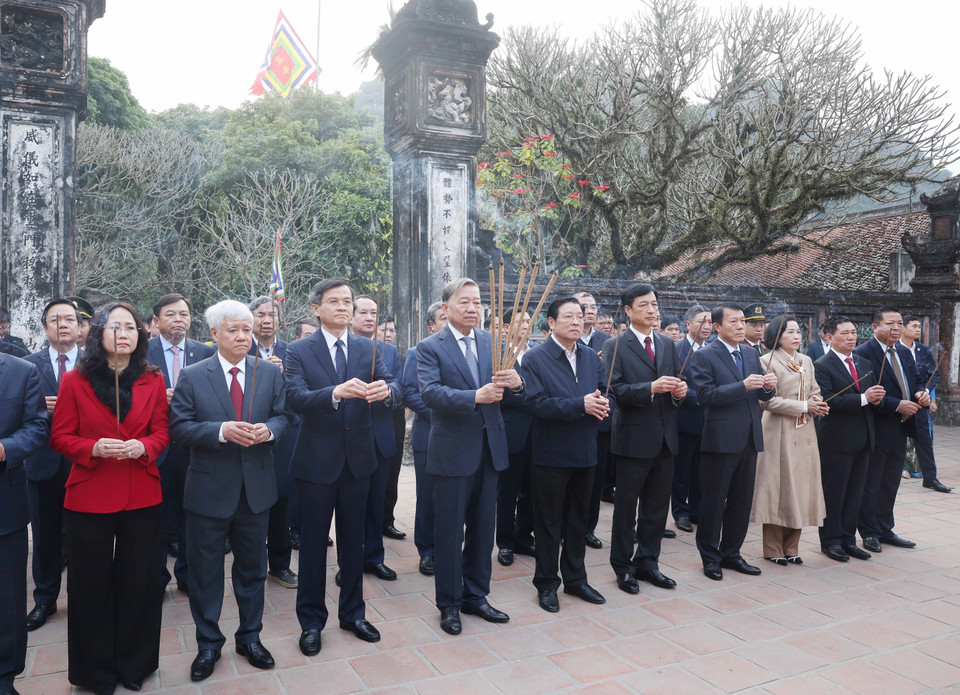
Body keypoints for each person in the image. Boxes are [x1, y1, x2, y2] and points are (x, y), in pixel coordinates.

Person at [50, 302, 171, 694]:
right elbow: (60, 436)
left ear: (141, 335)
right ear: (99, 333)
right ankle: (93, 671)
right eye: (115, 326)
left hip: (141, 492)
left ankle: (135, 662)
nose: (124, 333)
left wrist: (145, 447)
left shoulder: (152, 379)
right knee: (90, 586)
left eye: (131, 327)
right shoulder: (75, 381)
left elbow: (162, 432)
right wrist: (92, 449)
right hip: (90, 492)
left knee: (141, 581)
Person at [169, 300, 291, 681]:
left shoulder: (268, 373)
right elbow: (179, 428)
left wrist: (269, 431)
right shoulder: (192, 375)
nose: (243, 337)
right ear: (215, 334)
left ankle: (250, 637)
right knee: (206, 573)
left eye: (248, 330)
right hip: (208, 490)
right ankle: (208, 643)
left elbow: (284, 416)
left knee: (252, 569)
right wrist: (220, 431)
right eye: (234, 330)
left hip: (256, 489)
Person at [285, 279, 397, 656]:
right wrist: (334, 392)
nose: (343, 307)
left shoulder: (368, 347)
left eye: (347, 301)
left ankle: (353, 613)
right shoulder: (298, 350)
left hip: (359, 460)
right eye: (334, 301)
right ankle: (312, 622)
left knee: (354, 543)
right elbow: (295, 397)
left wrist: (387, 391)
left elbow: (394, 382)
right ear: (316, 308)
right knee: (314, 547)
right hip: (316, 462)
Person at [417, 277, 523, 636]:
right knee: (449, 532)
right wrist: (474, 396)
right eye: (465, 302)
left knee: (483, 529)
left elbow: (516, 389)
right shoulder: (430, 347)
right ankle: (449, 603)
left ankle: (477, 594)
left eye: (478, 302)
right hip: (451, 451)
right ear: (445, 309)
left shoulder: (495, 343)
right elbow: (430, 393)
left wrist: (517, 383)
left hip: (490, 449)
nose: (473, 308)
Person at [522, 297, 611, 611]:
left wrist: (600, 404)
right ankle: (546, 584)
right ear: (551, 323)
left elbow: (602, 389)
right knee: (548, 523)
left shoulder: (590, 356)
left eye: (580, 315)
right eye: (569, 316)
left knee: (578, 521)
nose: (577, 321)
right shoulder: (534, 359)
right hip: (551, 453)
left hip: (586, 450)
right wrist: (580, 405)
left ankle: (576, 579)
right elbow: (535, 403)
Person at [604, 284, 686, 593]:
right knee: (626, 509)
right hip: (633, 439)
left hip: (665, 438)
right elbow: (614, 391)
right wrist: (651, 388)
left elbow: (677, 385)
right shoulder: (616, 345)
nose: (652, 310)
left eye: (654, 304)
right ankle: (623, 566)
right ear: (628, 311)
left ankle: (649, 562)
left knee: (656, 508)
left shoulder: (667, 344)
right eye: (644, 306)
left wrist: (680, 392)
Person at [688, 302, 777, 581]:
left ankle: (732, 553)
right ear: (716, 327)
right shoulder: (705, 355)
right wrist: (743, 385)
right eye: (734, 322)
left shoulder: (750, 353)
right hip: (720, 439)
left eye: (742, 322)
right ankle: (710, 557)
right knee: (714, 501)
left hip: (750, 437)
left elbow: (761, 395)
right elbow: (705, 396)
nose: (741, 327)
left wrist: (768, 386)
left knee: (741, 501)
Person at [147, 293, 216, 593]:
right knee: (155, 516)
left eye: (184, 314)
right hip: (155, 445)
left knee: (194, 515)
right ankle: (156, 578)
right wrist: (156, 398)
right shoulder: (141, 352)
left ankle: (188, 576)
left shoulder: (205, 352)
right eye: (171, 314)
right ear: (155, 320)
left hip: (193, 446)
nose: (179, 319)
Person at [21, 299, 81, 631]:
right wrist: (40, 409)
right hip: (43, 463)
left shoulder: (95, 364)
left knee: (85, 534)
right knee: (44, 536)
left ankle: (85, 599)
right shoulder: (27, 366)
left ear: (79, 326)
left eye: (69, 319)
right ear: (45, 328)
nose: (63, 324)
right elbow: (18, 414)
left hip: (86, 463)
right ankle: (45, 599)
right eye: (55, 320)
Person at [751, 316, 829, 565]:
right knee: (778, 488)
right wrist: (804, 405)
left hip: (804, 431)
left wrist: (816, 402)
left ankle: (792, 547)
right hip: (778, 430)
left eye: (799, 332)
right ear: (776, 335)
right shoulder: (766, 361)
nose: (797, 336)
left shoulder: (806, 361)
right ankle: (773, 549)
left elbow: (814, 389)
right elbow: (766, 401)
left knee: (803, 488)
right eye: (790, 332)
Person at [814, 316, 885, 562]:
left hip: (864, 438)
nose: (851, 337)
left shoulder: (864, 363)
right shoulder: (822, 364)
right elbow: (828, 401)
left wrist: (877, 398)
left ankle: (848, 539)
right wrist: (865, 398)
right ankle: (831, 540)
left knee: (855, 493)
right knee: (835, 493)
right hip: (836, 440)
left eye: (853, 332)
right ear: (829, 337)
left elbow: (871, 396)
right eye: (844, 333)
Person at [853, 307, 923, 553]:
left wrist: (920, 393)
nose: (896, 328)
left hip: (902, 426)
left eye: (900, 323)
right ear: (875, 327)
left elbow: (916, 378)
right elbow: (866, 390)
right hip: (876, 427)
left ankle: (885, 528)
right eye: (890, 323)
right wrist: (897, 404)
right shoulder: (863, 352)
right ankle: (869, 531)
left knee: (891, 482)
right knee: (872, 482)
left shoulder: (903, 352)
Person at [0, 351, 47, 695]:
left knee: (7, 601)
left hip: (5, 507)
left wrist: (4, 449)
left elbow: (36, 427)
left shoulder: (21, 371)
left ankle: (5, 677)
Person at [247, 297, 300, 590]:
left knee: (281, 502)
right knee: (251, 506)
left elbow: (301, 393)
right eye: (260, 315)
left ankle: (279, 565)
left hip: (283, 436)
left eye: (272, 314)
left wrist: (284, 375)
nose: (267, 320)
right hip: (248, 434)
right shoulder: (239, 349)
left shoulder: (292, 352)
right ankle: (252, 566)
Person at [350, 295, 404, 577]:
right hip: (348, 437)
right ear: (351, 315)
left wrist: (388, 393)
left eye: (375, 313)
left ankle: (373, 557)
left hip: (380, 434)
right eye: (364, 312)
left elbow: (400, 387)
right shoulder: (340, 348)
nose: (370, 318)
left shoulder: (388, 350)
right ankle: (349, 562)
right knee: (351, 505)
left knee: (376, 500)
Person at [401, 302, 447, 576]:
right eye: (442, 318)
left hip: (460, 436)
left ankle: (450, 546)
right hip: (428, 434)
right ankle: (427, 550)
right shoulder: (417, 353)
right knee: (428, 495)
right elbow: (410, 393)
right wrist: (446, 409)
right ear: (431, 325)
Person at [495, 307, 536, 566]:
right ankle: (505, 542)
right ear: (506, 326)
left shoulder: (538, 353)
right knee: (507, 491)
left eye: (529, 321)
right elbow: (502, 392)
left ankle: (524, 536)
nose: (525, 326)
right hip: (512, 431)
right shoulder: (499, 353)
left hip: (540, 431)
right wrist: (531, 395)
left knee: (532, 490)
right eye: (520, 322)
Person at [574, 291, 612, 550]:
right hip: (571, 419)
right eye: (583, 307)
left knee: (595, 479)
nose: (590, 311)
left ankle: (588, 528)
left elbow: (612, 381)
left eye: (593, 306)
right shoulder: (569, 339)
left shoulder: (606, 341)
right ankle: (569, 527)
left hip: (599, 419)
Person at [672, 304, 712, 534]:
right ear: (688, 324)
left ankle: (697, 509)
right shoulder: (677, 349)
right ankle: (680, 511)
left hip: (709, 421)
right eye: (701, 322)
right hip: (685, 419)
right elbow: (678, 384)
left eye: (709, 323)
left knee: (701, 470)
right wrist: (704, 399)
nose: (706, 327)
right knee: (681, 470)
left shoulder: (714, 349)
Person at [899, 315, 951, 492]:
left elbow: (934, 374)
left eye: (919, 326)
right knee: (895, 438)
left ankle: (930, 478)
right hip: (900, 402)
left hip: (921, 402)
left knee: (924, 441)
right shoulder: (894, 349)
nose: (918, 329)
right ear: (903, 328)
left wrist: (927, 392)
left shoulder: (923, 350)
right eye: (913, 326)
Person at [378, 314, 408, 542]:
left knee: (392, 474)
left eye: (392, 331)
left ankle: (387, 520)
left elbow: (400, 385)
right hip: (369, 420)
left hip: (393, 418)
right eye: (384, 330)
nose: (389, 335)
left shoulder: (394, 354)